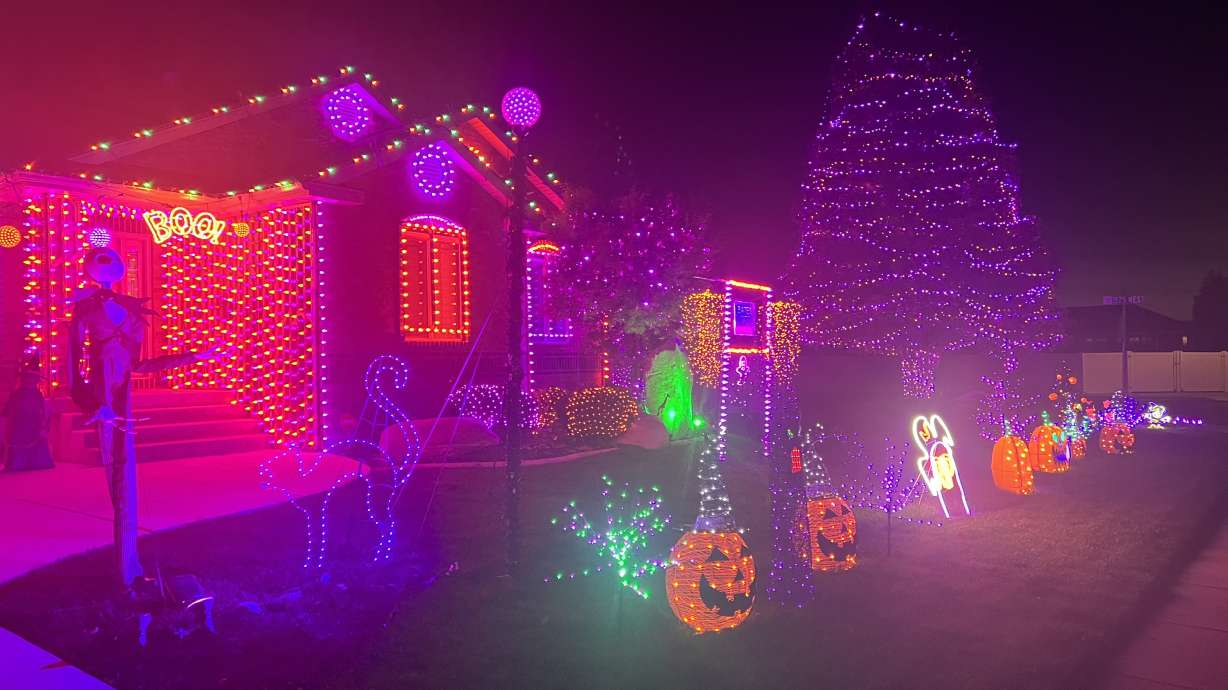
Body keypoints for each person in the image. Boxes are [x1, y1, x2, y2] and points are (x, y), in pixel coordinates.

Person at [2, 356, 54, 472]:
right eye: (28, 378)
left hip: (34, 424)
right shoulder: (16, 394)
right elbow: (8, 410)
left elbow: (42, 410)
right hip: (19, 425)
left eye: (33, 379)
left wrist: (44, 424)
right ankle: (18, 463)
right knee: (19, 446)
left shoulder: (38, 395)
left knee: (37, 445)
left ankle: (36, 462)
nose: (30, 381)